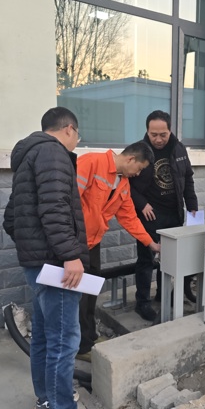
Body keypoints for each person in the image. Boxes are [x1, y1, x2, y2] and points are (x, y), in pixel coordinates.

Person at [3, 107, 99, 409]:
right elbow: (56, 208)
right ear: (69, 129)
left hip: (39, 265)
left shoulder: (29, 156)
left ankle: (46, 401)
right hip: (57, 266)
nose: (76, 142)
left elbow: (11, 218)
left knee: (45, 336)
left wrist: (32, 250)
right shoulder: (53, 154)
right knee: (63, 342)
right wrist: (70, 255)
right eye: (78, 136)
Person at [76, 141, 161, 359]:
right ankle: (79, 346)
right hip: (73, 241)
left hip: (93, 243)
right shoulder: (91, 163)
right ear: (131, 159)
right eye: (139, 169)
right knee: (77, 295)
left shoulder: (123, 184)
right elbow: (67, 201)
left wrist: (151, 243)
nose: (138, 174)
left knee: (90, 291)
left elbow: (129, 218)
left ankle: (88, 337)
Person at [130, 110, 199, 320]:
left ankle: (162, 295)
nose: (158, 139)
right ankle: (142, 302)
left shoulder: (179, 149)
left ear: (170, 130)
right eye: (154, 135)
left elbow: (187, 178)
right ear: (147, 131)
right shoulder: (138, 150)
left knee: (169, 259)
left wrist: (192, 204)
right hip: (149, 216)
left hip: (173, 213)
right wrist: (142, 204)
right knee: (146, 260)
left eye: (163, 134)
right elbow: (127, 183)